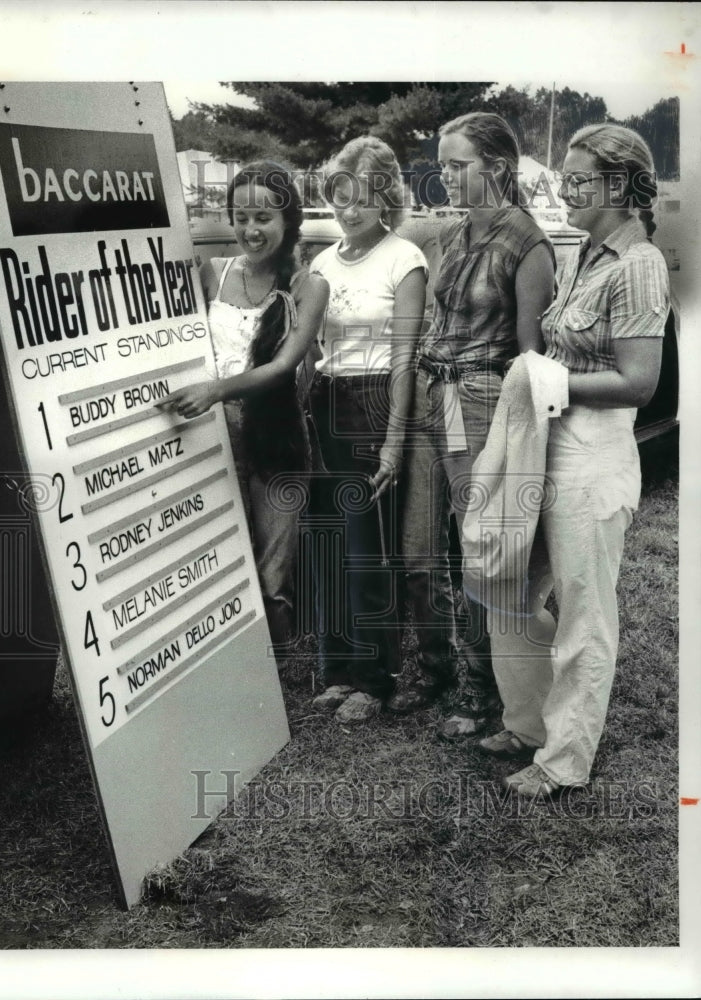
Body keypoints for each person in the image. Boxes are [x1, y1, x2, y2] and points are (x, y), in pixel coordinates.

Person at [479, 124, 669, 798]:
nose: (565, 189)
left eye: (579, 179)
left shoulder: (638, 262)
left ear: (618, 187)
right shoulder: (582, 252)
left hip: (594, 451)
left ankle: (564, 758)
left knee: (584, 611)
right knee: (507, 586)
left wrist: (542, 380)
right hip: (546, 440)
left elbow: (640, 382)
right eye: (563, 176)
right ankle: (528, 723)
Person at [392, 112, 556, 738]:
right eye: (443, 165)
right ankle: (448, 670)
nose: (446, 176)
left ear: (498, 168)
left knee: (479, 548)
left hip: (481, 402)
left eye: (457, 165)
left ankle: (483, 689)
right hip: (437, 394)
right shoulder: (456, 234)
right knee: (426, 545)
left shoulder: (528, 243)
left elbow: (529, 359)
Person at [158, 161, 329, 661]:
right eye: (241, 217)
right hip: (212, 434)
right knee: (217, 552)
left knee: (273, 568)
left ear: (288, 220)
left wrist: (214, 391)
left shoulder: (308, 286)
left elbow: (281, 368)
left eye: (264, 217)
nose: (251, 230)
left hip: (277, 433)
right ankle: (227, 661)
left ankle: (276, 668)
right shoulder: (213, 273)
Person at [307, 135, 428, 723]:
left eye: (362, 198)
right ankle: (337, 671)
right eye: (339, 197)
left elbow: (406, 357)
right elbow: (309, 350)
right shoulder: (322, 263)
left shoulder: (405, 258)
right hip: (328, 402)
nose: (348, 210)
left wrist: (394, 441)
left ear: (387, 197)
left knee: (369, 551)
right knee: (330, 544)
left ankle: (375, 679)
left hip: (377, 400)